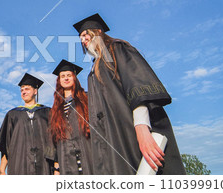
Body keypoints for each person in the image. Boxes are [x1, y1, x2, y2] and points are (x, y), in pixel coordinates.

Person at [73, 13, 185, 174]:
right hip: (111, 136)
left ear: (98, 32)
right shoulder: (94, 68)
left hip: (128, 130)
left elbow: (136, 87)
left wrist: (142, 128)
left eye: (85, 35)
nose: (82, 40)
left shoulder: (117, 49)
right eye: (80, 38)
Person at [0, 73, 52, 175]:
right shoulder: (12, 114)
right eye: (22, 90)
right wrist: (2, 170)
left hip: (44, 165)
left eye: (27, 89)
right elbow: (6, 144)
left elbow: (54, 141)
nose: (24, 92)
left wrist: (57, 168)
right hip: (19, 166)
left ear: (35, 91)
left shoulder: (47, 112)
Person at [47, 60, 92, 175]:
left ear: (74, 78)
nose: (66, 78)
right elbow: (54, 140)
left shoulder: (87, 99)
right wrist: (56, 168)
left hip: (89, 156)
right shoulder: (55, 110)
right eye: (62, 76)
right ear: (59, 80)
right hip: (66, 162)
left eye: (69, 75)